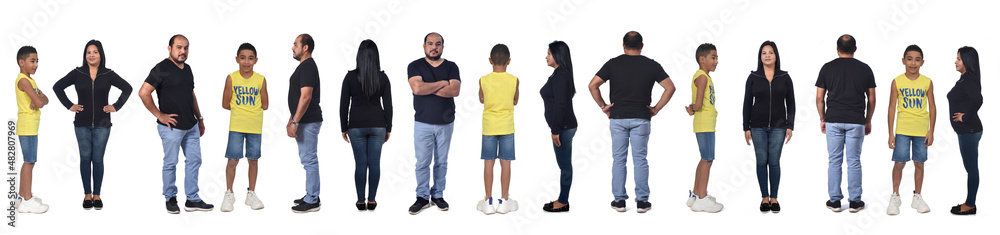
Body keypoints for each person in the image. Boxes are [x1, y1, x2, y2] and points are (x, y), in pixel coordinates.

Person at [587, 31, 676, 213]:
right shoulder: (651, 65)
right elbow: (670, 88)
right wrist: (656, 108)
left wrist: (603, 105)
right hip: (641, 118)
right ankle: (642, 202)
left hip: (617, 118)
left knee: (619, 160)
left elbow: (592, 85)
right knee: (640, 159)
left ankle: (619, 201)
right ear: (642, 46)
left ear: (623, 45)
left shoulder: (613, 63)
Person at [52, 40, 133, 210]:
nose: (91, 55)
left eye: (95, 52)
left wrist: (116, 106)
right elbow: (57, 87)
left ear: (101, 54)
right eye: (88, 52)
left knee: (97, 159)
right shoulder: (77, 73)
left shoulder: (108, 74)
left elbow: (127, 88)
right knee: (84, 158)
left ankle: (97, 195)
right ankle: (87, 195)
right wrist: (70, 105)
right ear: (85, 55)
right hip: (81, 123)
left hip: (103, 124)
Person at [138, 34, 214, 214]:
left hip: (191, 125)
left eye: (186, 47)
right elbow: (143, 92)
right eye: (179, 47)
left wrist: (200, 118)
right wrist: (160, 115)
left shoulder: (187, 68)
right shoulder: (161, 68)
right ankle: (170, 198)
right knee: (171, 163)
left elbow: (191, 94)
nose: (183, 51)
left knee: (194, 161)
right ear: (169, 48)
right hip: (171, 128)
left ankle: (192, 199)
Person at [815, 34, 876, 213]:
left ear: (837, 49)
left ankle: (834, 201)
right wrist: (868, 120)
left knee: (834, 161)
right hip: (856, 121)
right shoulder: (865, 69)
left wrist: (822, 118)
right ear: (855, 49)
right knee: (854, 161)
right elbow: (871, 99)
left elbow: (819, 98)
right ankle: (855, 202)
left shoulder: (827, 68)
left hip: (833, 119)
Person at [406, 32, 461, 215]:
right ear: (424, 46)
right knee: (422, 162)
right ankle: (422, 197)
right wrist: (441, 83)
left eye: (438, 44)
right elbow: (417, 88)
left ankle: (437, 195)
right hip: (422, 123)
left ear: (443, 47)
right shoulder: (414, 65)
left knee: (441, 162)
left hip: (446, 123)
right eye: (430, 43)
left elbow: (454, 90)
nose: (434, 47)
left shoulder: (452, 66)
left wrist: (428, 87)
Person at [742, 41, 795, 213]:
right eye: (764, 53)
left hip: (779, 127)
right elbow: (747, 104)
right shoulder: (753, 77)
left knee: (774, 161)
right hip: (757, 126)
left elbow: (791, 103)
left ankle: (774, 197)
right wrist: (746, 127)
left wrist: (790, 125)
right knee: (761, 161)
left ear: (776, 55)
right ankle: (764, 198)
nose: (767, 55)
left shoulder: (785, 77)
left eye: (770, 52)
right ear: (760, 56)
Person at [340, 39, 392, 211]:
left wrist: (343, 127)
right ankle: (372, 201)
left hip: (355, 125)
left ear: (359, 56)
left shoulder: (349, 77)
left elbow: (343, 105)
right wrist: (389, 127)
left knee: (360, 164)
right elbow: (389, 105)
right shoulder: (383, 77)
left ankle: (360, 201)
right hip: (378, 124)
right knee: (375, 163)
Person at [885, 45, 935, 215]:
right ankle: (895, 196)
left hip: (921, 130)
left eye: (917, 59)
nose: (913, 62)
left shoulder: (927, 82)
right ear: (903, 61)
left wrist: (931, 131)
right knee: (899, 163)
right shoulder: (897, 81)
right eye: (909, 58)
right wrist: (891, 133)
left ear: (922, 62)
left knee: (919, 163)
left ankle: (917, 197)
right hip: (903, 129)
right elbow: (892, 108)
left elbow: (933, 107)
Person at [220, 43, 268, 212]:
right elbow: (225, 104)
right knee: (232, 160)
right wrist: (241, 111)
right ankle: (229, 193)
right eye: (243, 58)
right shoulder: (231, 78)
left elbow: (266, 104)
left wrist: (250, 111)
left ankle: (251, 194)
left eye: (250, 58)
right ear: (237, 59)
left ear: (255, 60)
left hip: (254, 126)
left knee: (253, 160)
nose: (246, 62)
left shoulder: (261, 79)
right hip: (237, 125)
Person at [476, 44, 520, 215]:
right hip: (507, 125)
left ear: (490, 60)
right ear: (509, 61)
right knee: (505, 162)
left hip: (489, 126)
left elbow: (481, 99)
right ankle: (504, 201)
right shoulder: (514, 79)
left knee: (489, 162)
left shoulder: (483, 79)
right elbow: (515, 100)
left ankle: (488, 201)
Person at [684, 43, 724, 213]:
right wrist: (693, 107)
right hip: (705, 124)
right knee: (708, 160)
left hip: (705, 123)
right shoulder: (701, 77)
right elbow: (699, 103)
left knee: (704, 159)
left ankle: (695, 194)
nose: (716, 61)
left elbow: (697, 105)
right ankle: (702, 199)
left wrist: (693, 108)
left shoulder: (704, 76)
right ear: (702, 59)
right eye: (713, 57)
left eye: (716, 58)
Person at [286, 33, 324, 213]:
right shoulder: (304, 67)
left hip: (308, 121)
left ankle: (313, 199)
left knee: (309, 160)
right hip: (303, 121)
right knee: (307, 159)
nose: (292, 48)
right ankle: (311, 193)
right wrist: (291, 120)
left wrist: (295, 121)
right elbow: (297, 98)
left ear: (305, 47)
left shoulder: (308, 66)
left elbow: (306, 96)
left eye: (295, 44)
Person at [541, 41, 577, 213]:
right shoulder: (559, 74)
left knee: (565, 166)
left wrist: (555, 131)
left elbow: (561, 105)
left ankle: (563, 202)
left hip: (563, 127)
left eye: (549, 53)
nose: (546, 56)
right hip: (562, 126)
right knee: (564, 165)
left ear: (557, 55)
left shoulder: (561, 75)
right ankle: (562, 199)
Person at [13, 45, 50, 214]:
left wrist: (39, 98)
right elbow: (41, 102)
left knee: (29, 161)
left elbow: (45, 99)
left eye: (37, 61)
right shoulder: (23, 80)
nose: (36, 64)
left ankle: (21, 196)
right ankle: (27, 200)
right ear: (22, 62)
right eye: (32, 61)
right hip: (27, 126)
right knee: (29, 162)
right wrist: (39, 99)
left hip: (31, 126)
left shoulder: (31, 81)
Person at [948, 46, 983, 215]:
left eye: (959, 59)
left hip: (969, 131)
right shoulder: (964, 78)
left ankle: (970, 205)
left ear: (967, 61)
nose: (956, 61)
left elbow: (978, 100)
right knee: (970, 168)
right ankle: (969, 202)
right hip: (966, 132)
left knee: (971, 169)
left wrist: (965, 117)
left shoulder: (968, 79)